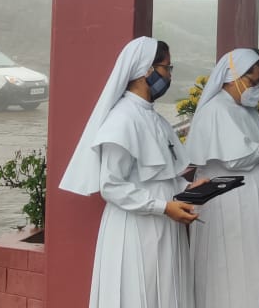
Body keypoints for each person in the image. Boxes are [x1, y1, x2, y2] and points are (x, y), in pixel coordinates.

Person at [59, 36, 201, 308]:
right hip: (136, 227)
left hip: (164, 222)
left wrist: (188, 191)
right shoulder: (122, 120)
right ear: (145, 70)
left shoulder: (156, 119)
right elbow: (111, 185)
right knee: (140, 293)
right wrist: (162, 206)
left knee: (168, 292)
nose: (169, 75)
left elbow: (164, 174)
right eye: (166, 68)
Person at [185, 48, 259, 308]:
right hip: (228, 205)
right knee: (230, 266)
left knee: (256, 263)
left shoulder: (247, 110)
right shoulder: (216, 110)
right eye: (253, 82)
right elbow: (233, 159)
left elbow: (258, 151)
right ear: (232, 76)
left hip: (253, 204)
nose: (256, 89)